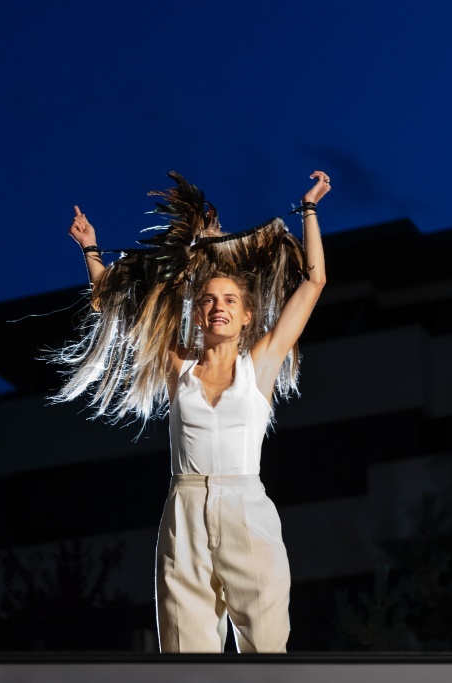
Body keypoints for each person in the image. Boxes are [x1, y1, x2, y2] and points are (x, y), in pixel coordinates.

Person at [61, 170, 330, 652]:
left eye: (229, 300)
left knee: (267, 646)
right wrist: (91, 250)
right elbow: (118, 308)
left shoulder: (260, 365)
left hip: (246, 507)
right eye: (207, 301)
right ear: (198, 313)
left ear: (247, 315)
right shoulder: (177, 368)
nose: (218, 307)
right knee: (185, 655)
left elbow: (314, 281)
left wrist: (308, 209)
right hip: (183, 509)